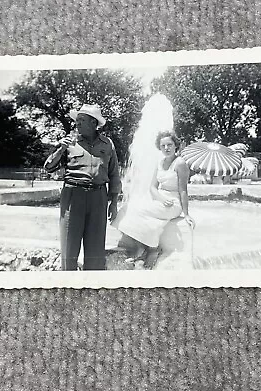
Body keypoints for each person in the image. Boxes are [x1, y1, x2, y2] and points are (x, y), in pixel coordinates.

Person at [44, 104, 121, 271]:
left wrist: (113, 202)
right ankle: (68, 286)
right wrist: (61, 148)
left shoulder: (107, 144)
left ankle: (91, 289)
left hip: (98, 197)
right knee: (69, 247)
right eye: (76, 120)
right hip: (73, 196)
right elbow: (48, 167)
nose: (77, 124)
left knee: (95, 250)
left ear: (94, 123)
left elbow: (114, 174)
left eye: (82, 120)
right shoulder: (69, 142)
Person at [113, 131, 195, 266]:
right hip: (160, 199)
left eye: (170, 144)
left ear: (176, 146)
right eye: (163, 146)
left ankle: (152, 248)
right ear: (159, 147)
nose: (166, 148)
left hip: (173, 203)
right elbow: (152, 188)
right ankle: (143, 246)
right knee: (127, 208)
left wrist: (186, 214)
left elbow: (183, 190)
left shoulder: (180, 163)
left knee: (139, 211)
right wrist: (161, 199)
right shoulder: (159, 162)